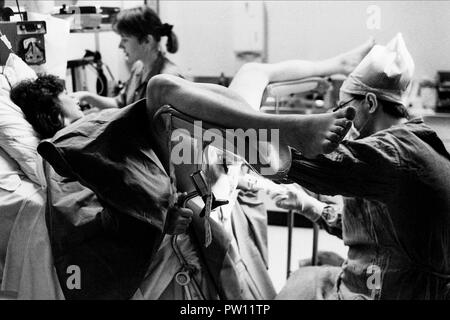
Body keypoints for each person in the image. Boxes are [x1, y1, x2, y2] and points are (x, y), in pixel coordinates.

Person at [9, 40, 371, 299]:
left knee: (249, 72)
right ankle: (282, 134)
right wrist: (161, 215)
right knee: (161, 90)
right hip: (182, 165)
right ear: (57, 116)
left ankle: (334, 69)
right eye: (70, 101)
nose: (78, 102)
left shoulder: (90, 124)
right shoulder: (67, 144)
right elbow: (84, 206)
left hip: (189, 148)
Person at [144, 33, 450, 300]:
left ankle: (285, 123)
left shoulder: (392, 156)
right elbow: (377, 228)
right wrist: (308, 205)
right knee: (248, 76)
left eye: (345, 109)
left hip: (387, 289)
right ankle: (291, 114)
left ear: (370, 103)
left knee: (166, 91)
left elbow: (162, 91)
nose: (342, 119)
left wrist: (284, 137)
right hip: (385, 278)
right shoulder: (416, 141)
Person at [72, 5, 183, 110]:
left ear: (147, 41)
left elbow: (194, 123)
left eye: (125, 39)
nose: (120, 46)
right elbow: (120, 103)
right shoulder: (138, 68)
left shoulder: (169, 79)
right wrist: (86, 96)